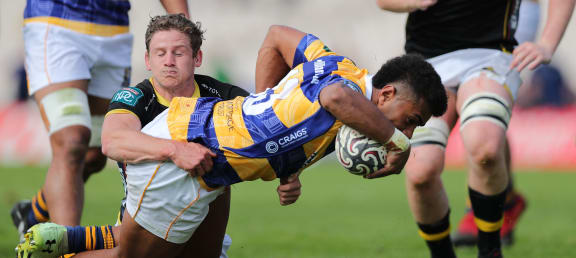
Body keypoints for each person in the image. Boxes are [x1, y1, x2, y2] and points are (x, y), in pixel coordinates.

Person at [17, 24, 448, 258]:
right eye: (410, 120)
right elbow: (336, 99)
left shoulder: (334, 61)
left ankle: (73, 239)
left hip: (207, 155)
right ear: (386, 94)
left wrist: (282, 148)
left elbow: (277, 36)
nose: (406, 130)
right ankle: (66, 245)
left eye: (412, 129)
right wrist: (398, 144)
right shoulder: (347, 92)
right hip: (190, 157)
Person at [15, 13, 248, 258]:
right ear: (148, 60)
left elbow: (266, 121)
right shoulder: (135, 99)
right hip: (144, 219)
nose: (169, 61)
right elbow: (112, 141)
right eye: (160, 53)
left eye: (178, 53)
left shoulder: (223, 96)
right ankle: (69, 244)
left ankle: (72, 239)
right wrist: (176, 150)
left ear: (196, 57)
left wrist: (287, 175)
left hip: (202, 226)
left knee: (216, 178)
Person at [376, 0, 575, 257]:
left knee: (485, 147)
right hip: (426, 62)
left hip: (489, 53)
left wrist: (548, 43)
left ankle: (490, 250)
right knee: (421, 171)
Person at [10, 0, 190, 240]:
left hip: (113, 30)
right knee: (73, 142)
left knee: (93, 155)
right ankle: (67, 250)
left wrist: (184, 28)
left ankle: (33, 213)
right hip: (54, 23)